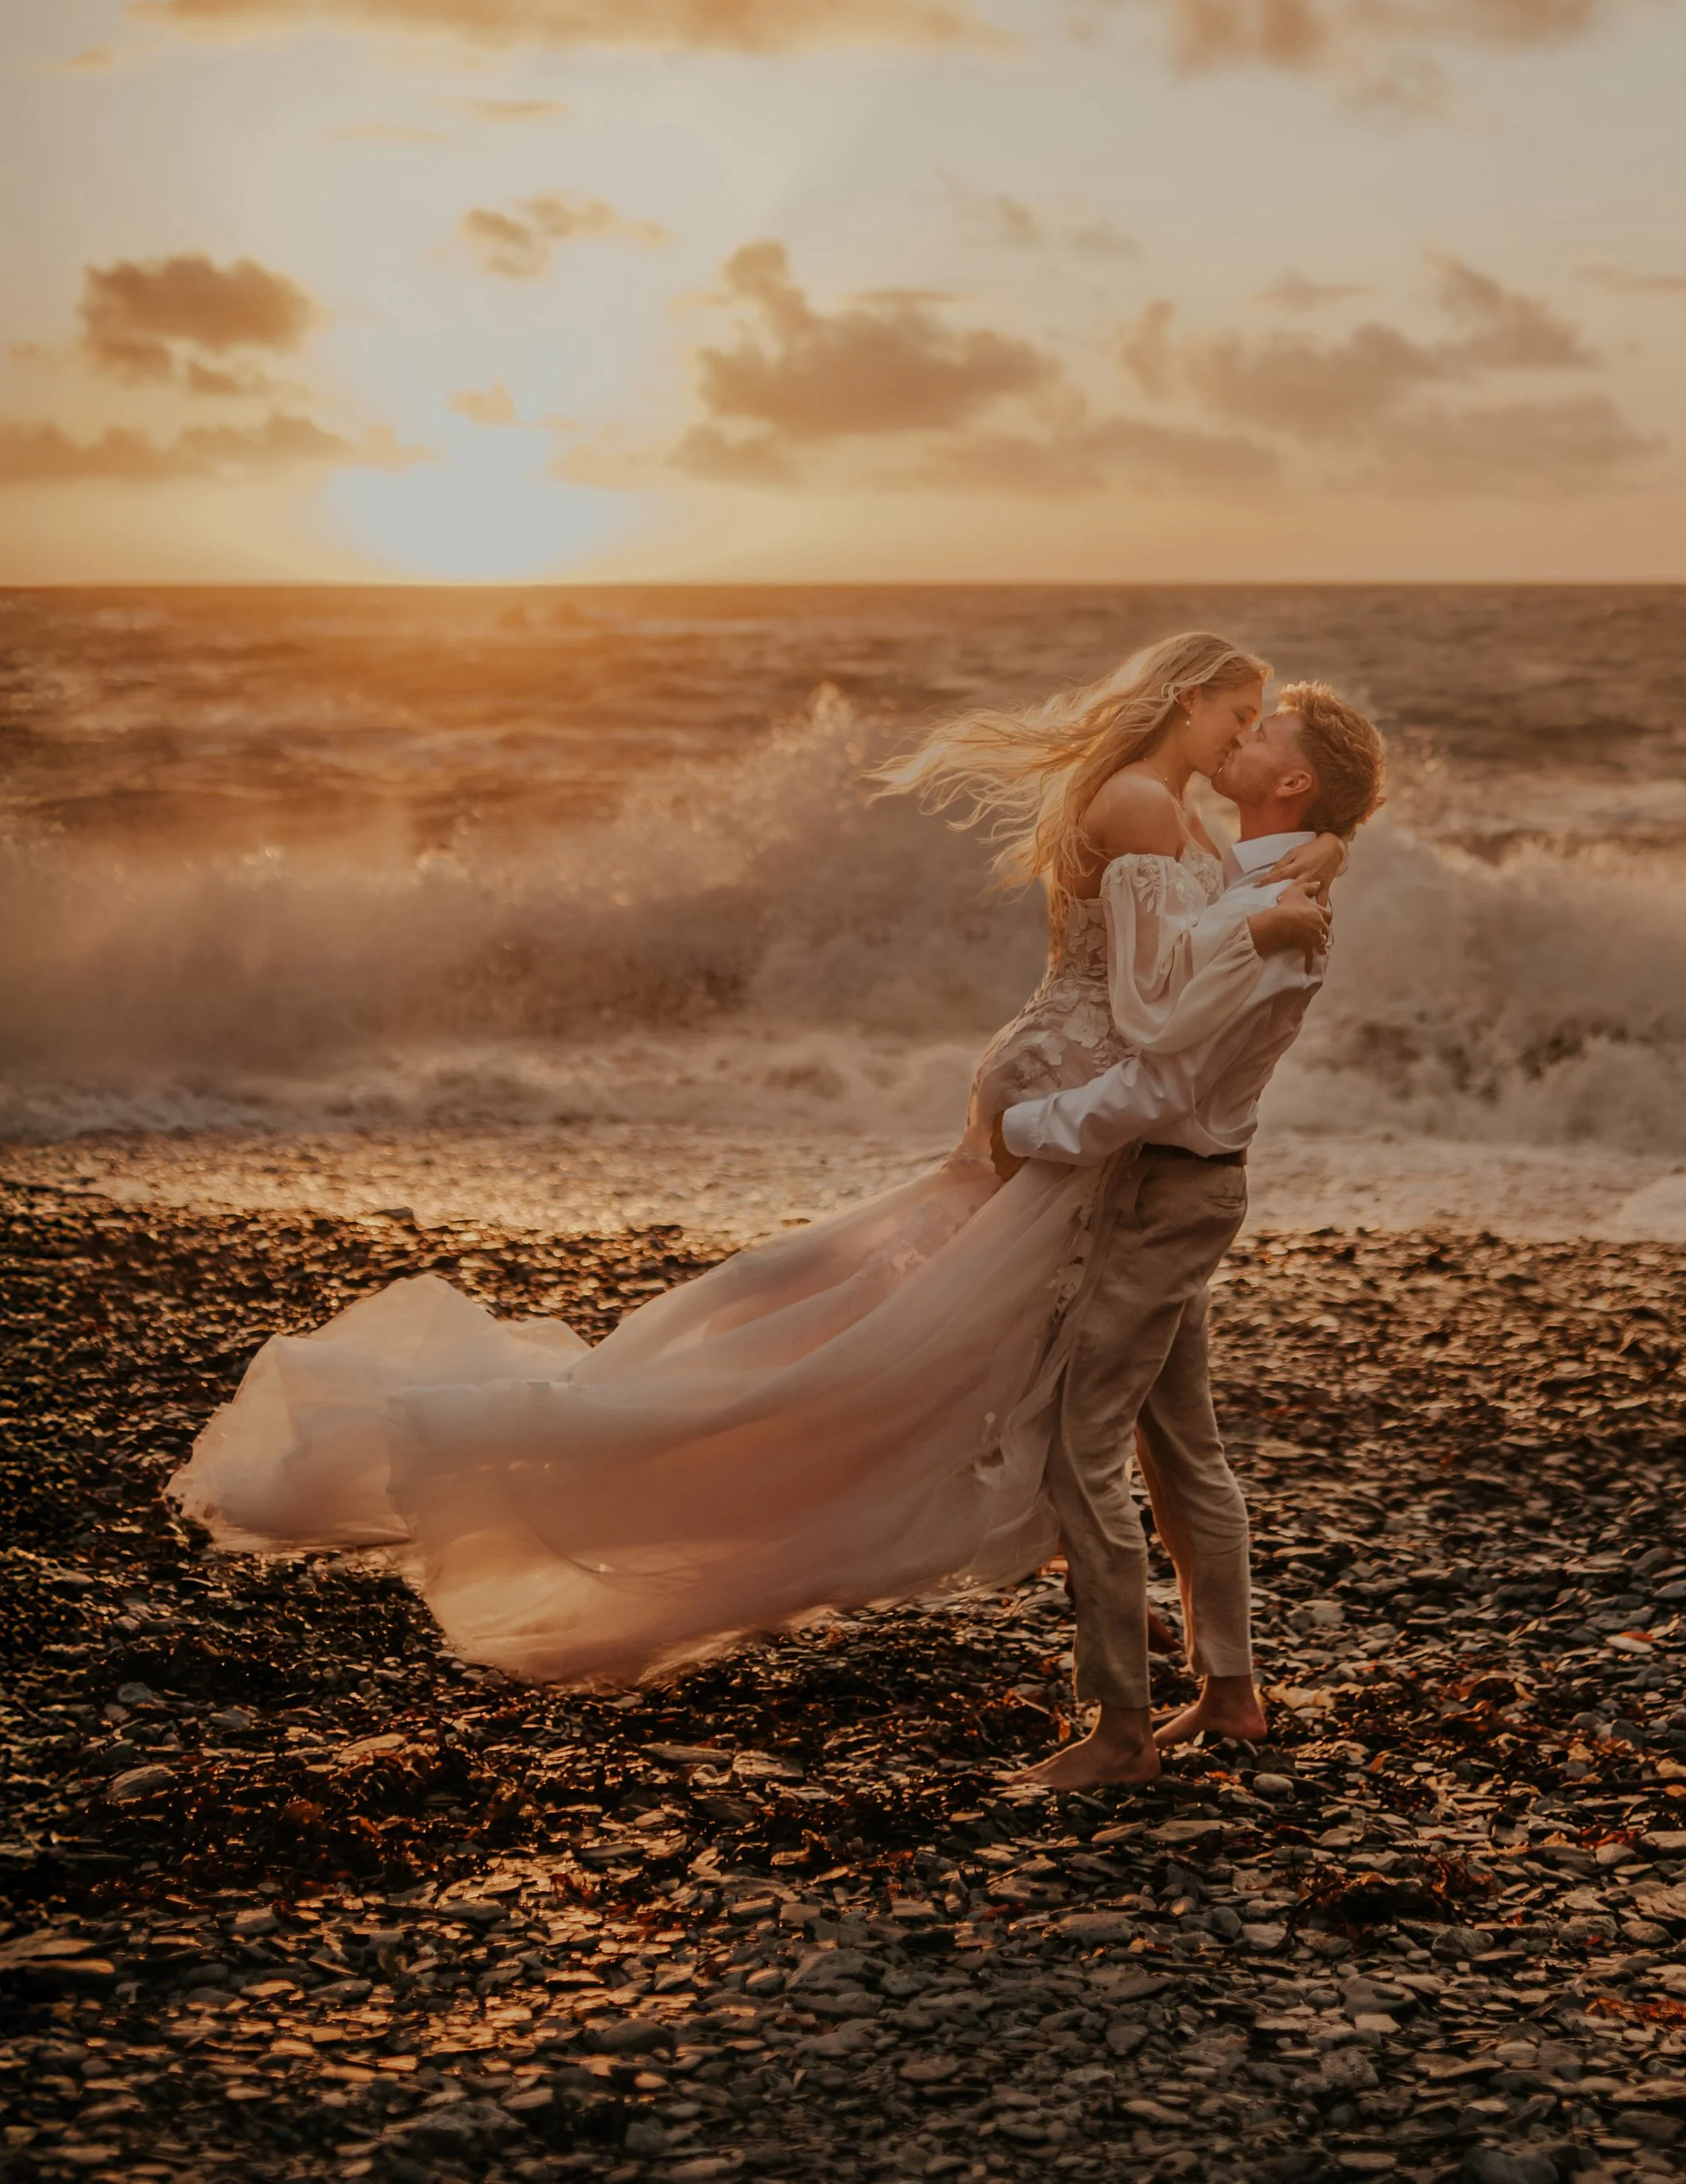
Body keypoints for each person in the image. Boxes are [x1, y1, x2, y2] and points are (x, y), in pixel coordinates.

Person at [168, 632, 1344, 1690]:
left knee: (967, 1345)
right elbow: (1152, 1004)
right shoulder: (1144, 805)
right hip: (1068, 1106)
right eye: (1239, 718)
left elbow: (1199, 930)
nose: (1245, 741)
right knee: (914, 1352)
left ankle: (1140, 1616)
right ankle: (535, 1446)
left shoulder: (1166, 807)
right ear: (1188, 701)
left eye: (1261, 734)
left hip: (1079, 1103)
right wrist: (1268, 918)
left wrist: (1303, 866)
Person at [987, 683, 1387, 1791]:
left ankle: (1119, 1726)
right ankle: (1230, 1691)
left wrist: (1017, 1126)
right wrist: (1325, 854)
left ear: (1291, 782)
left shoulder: (1275, 923)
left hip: (1171, 1190)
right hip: (1175, 1190)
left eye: (1262, 732)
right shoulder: (1257, 871)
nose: (1238, 733)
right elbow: (1231, 881)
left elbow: (1158, 1086)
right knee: (1181, 1445)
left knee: (1084, 1442)